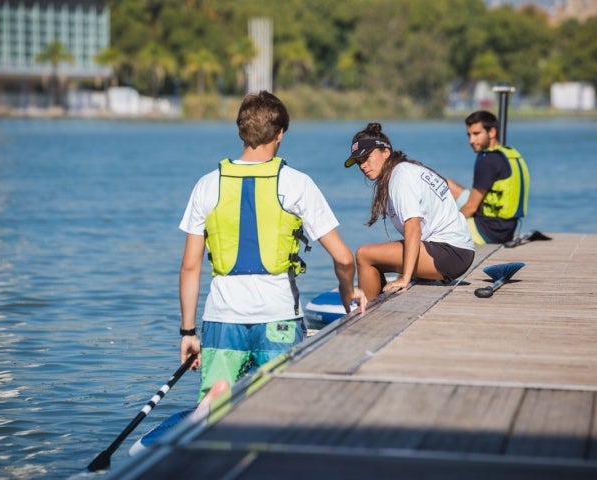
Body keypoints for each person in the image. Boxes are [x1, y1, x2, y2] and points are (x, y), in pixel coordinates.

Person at [178, 91, 367, 408]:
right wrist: (348, 291)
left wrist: (188, 331)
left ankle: (217, 397)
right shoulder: (296, 183)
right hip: (278, 317)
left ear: (241, 130)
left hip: (222, 319)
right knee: (279, 407)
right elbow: (344, 258)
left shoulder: (207, 184)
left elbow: (189, 267)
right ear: (280, 134)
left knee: (214, 420)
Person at [345, 122, 475, 301]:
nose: (363, 166)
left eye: (367, 158)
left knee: (364, 254)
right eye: (359, 162)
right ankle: (377, 303)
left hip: (450, 254)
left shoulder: (400, 176)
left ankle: (366, 316)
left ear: (386, 152)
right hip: (455, 250)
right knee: (375, 255)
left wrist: (405, 278)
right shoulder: (407, 169)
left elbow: (413, 227)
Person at [447, 110, 530, 245]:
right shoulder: (509, 153)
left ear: (491, 132)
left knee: (436, 230)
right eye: (469, 135)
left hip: (486, 232)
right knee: (446, 184)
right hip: (506, 229)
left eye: (476, 134)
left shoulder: (488, 161)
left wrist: (444, 227)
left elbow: (471, 208)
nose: (471, 140)